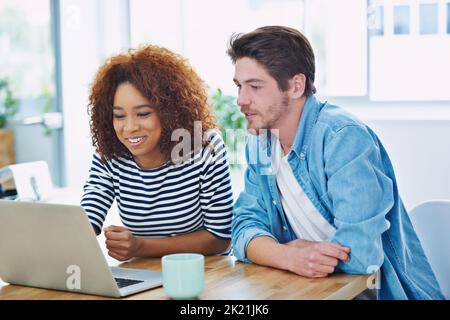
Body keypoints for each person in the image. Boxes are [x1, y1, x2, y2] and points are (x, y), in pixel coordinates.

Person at [228, 26, 444, 299]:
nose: (241, 100)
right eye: (239, 86)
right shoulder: (260, 143)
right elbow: (242, 229)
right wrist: (288, 255)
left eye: (255, 87)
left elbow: (361, 256)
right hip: (309, 289)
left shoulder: (343, 138)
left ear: (296, 86)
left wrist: (278, 251)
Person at [81, 45, 233, 261]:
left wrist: (140, 247)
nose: (130, 127)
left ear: (170, 111)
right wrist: (75, 233)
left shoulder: (205, 147)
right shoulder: (111, 152)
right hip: (143, 275)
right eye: (119, 116)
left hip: (204, 272)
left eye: (143, 113)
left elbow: (220, 239)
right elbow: (92, 204)